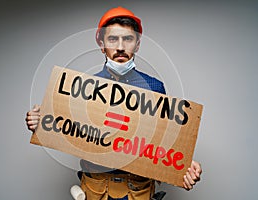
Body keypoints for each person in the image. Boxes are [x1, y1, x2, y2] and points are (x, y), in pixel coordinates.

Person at [26, 6, 202, 200]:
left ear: (137, 45)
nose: (120, 46)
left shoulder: (155, 88)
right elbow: (66, 128)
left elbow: (163, 141)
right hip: (95, 189)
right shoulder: (82, 87)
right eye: (112, 39)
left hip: (138, 191)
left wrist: (183, 165)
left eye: (128, 39)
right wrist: (40, 123)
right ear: (102, 45)